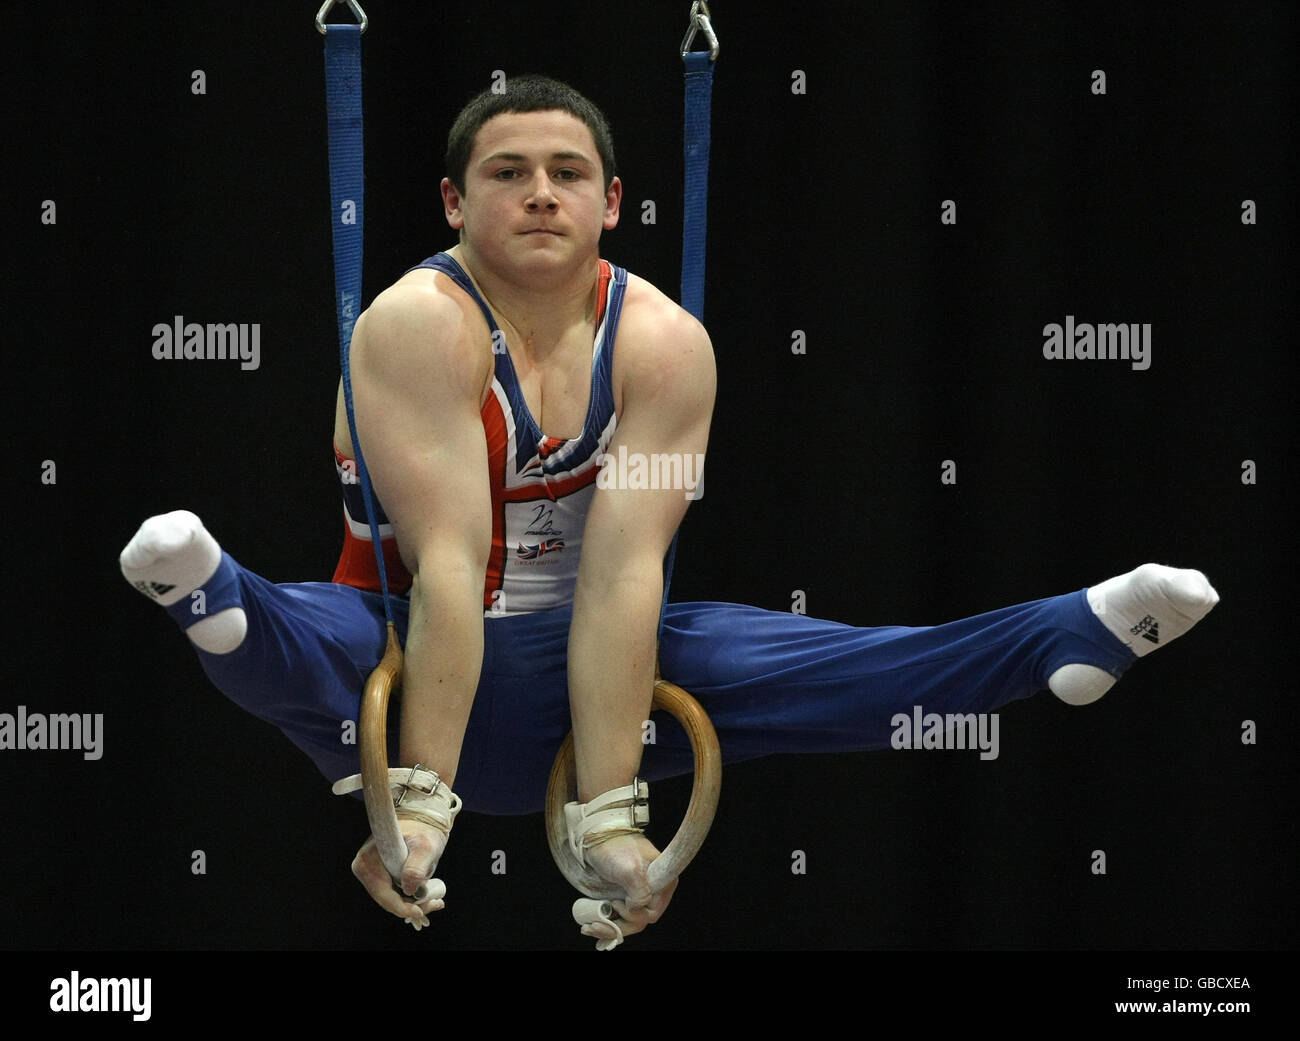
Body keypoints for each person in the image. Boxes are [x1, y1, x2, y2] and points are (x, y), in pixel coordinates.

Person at [119, 75, 1219, 949]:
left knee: (831, 663)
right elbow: (448, 568)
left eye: (567, 171)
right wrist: (417, 807)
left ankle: (1066, 636)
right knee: (307, 634)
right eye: (507, 172)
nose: (540, 192)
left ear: (613, 200)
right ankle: (213, 597)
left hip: (609, 675)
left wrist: (609, 818)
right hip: (403, 664)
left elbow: (620, 575)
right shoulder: (417, 325)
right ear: (455, 201)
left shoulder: (661, 344)